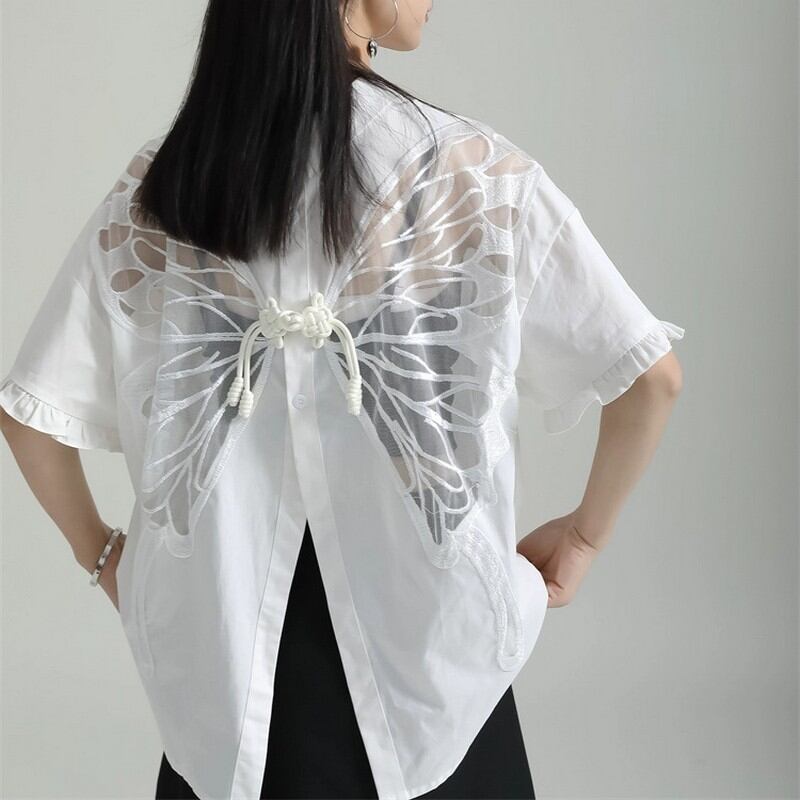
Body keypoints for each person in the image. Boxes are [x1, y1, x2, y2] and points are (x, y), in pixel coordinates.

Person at [0, 1, 685, 798]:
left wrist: (105, 557)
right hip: (432, 680)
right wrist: (584, 538)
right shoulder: (471, 171)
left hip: (230, 696)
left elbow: (27, 418)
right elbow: (650, 379)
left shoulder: (164, 188)